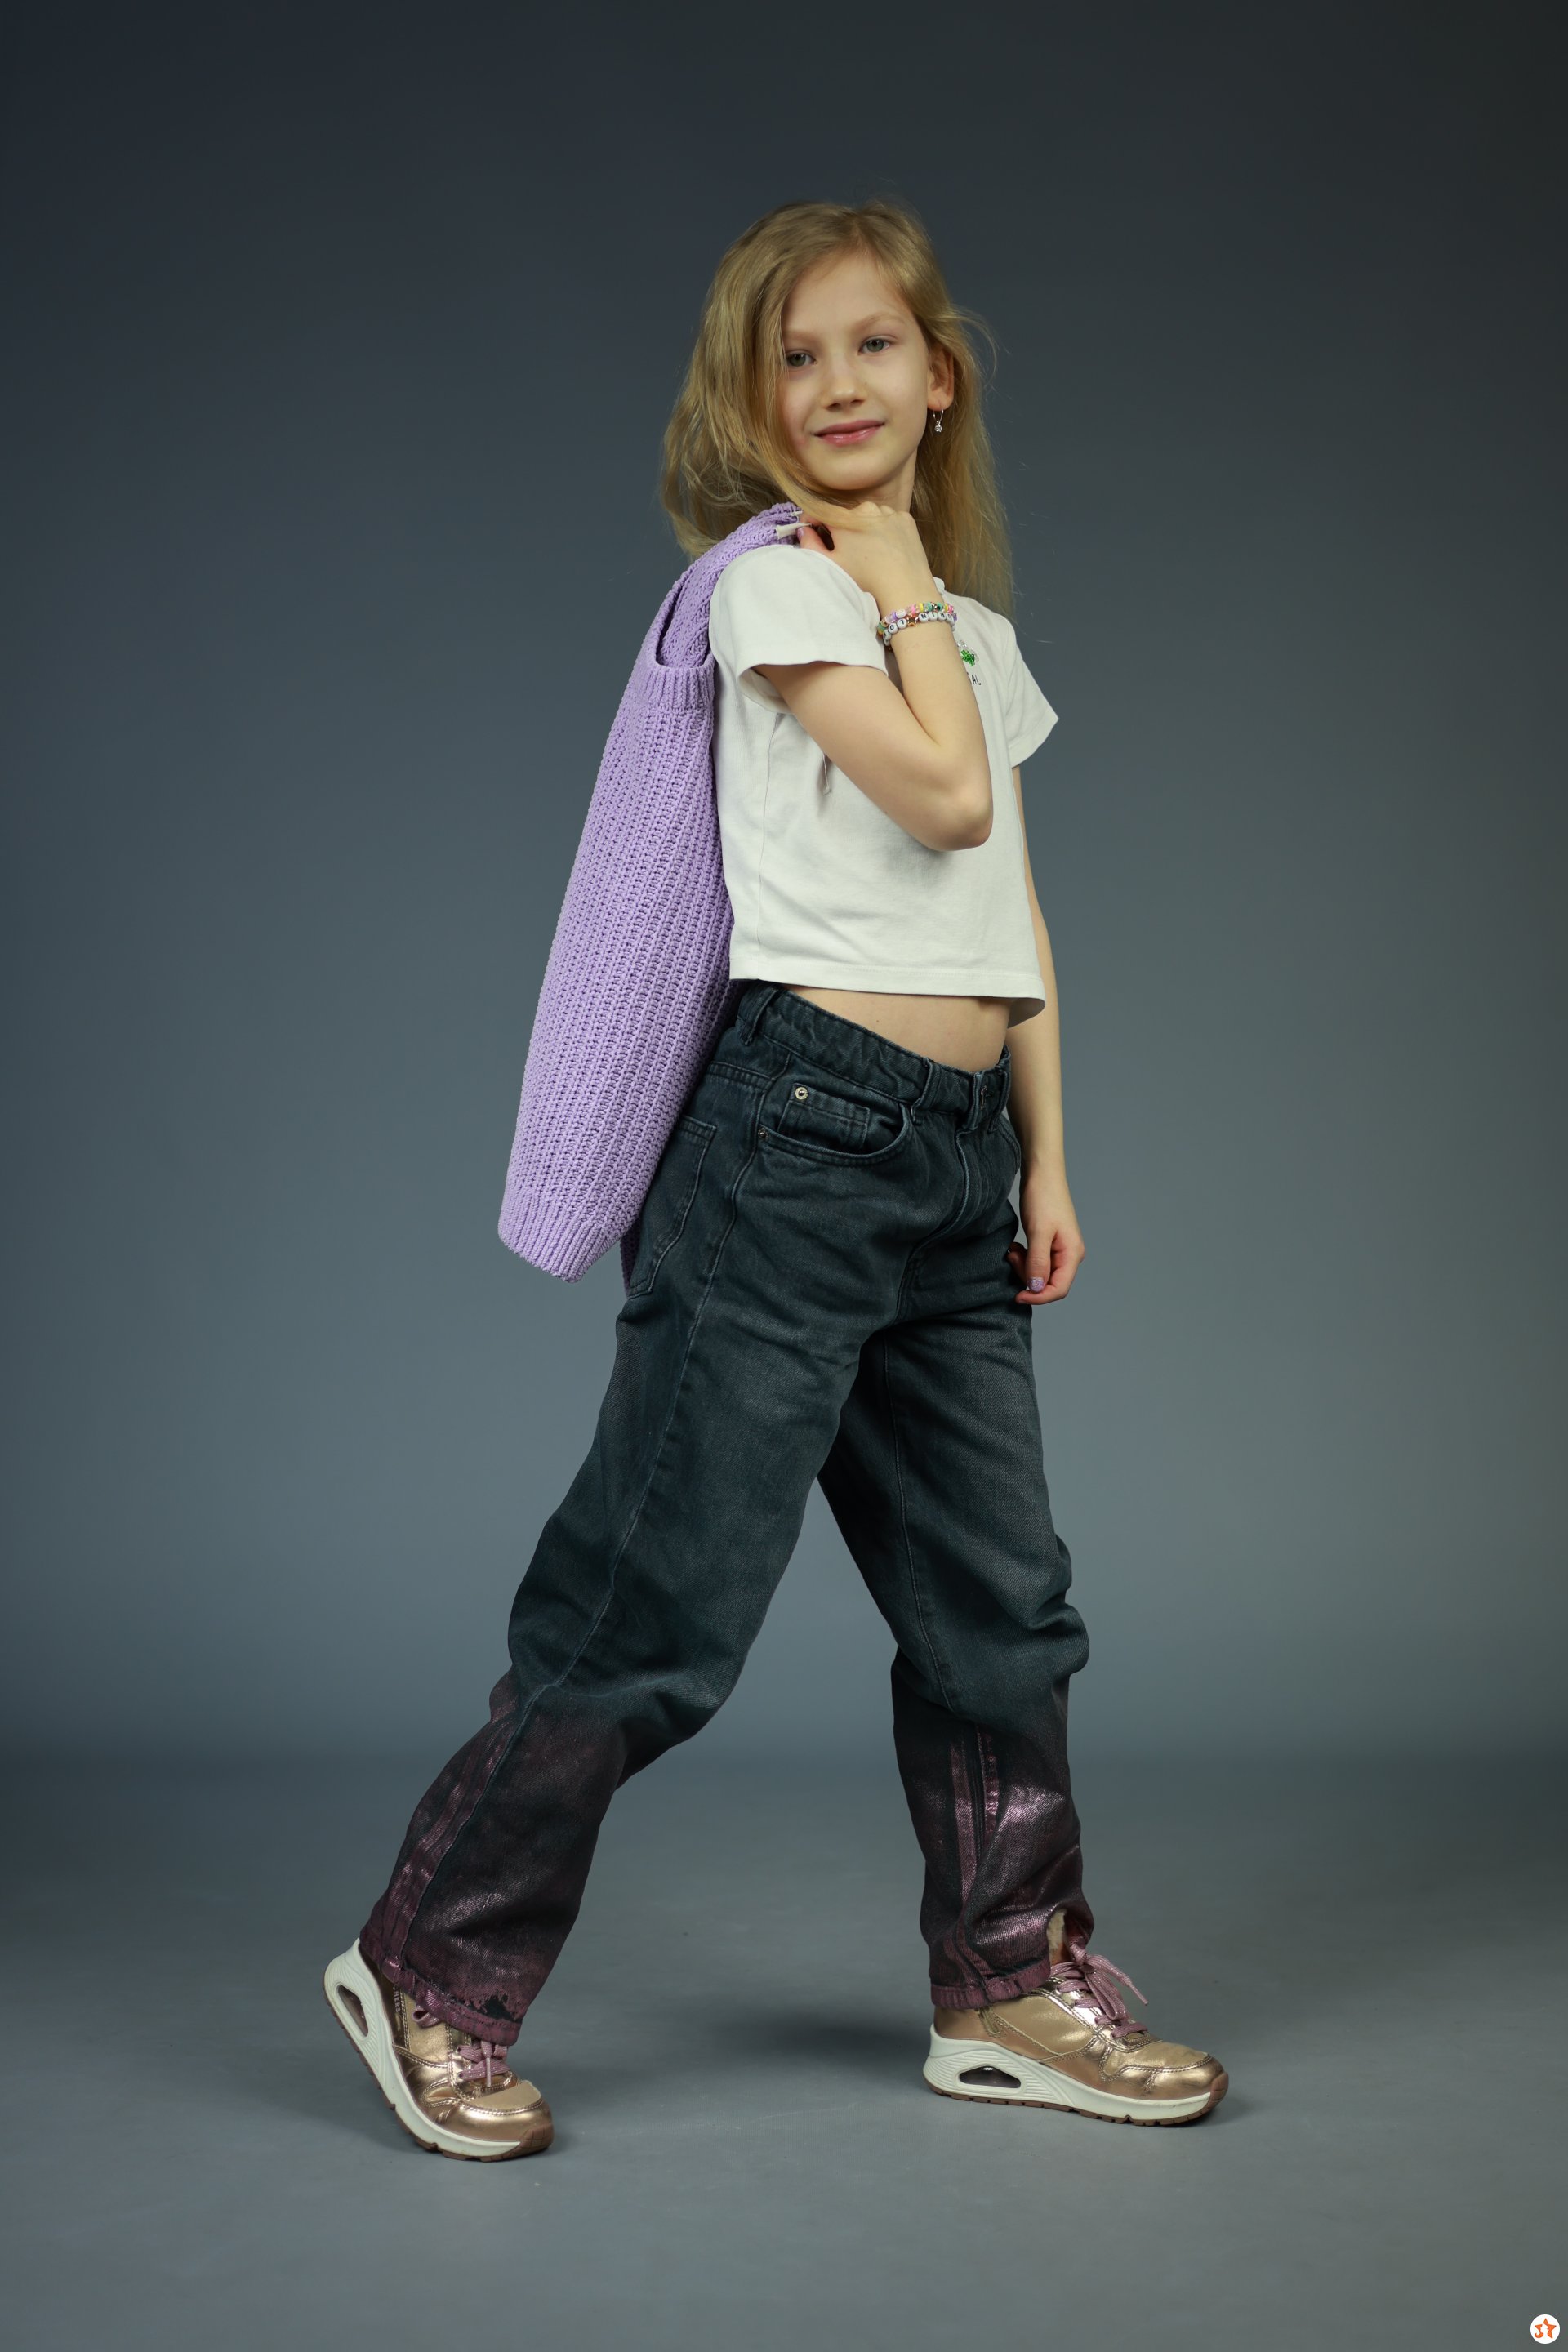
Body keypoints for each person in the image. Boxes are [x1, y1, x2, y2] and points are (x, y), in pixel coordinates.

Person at [323, 197, 1228, 2160]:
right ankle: (430, 1966)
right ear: (751, 404)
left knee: (1005, 1607)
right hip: (793, 1148)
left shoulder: (965, 635)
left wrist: (1048, 1154)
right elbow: (943, 796)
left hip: (951, 1167)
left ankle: (1008, 1981)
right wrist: (897, 582)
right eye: (792, 357)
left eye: (872, 344)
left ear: (939, 375)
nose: (836, 383)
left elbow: (1008, 904)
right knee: (660, 1601)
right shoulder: (779, 597)